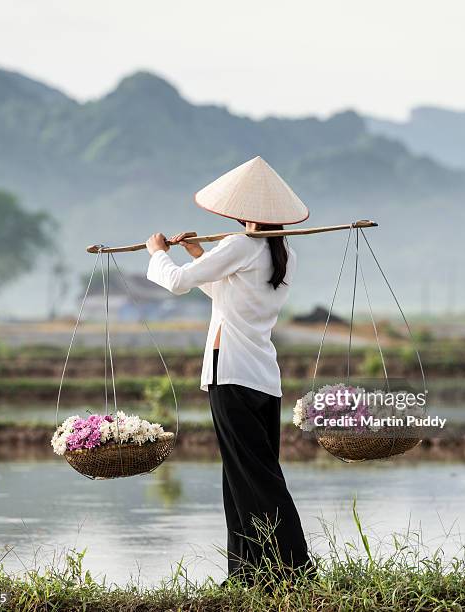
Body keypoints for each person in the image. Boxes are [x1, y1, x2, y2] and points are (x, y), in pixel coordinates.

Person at [145, 156, 312, 582]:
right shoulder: (283, 252)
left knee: (251, 476)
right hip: (262, 377)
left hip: (232, 373)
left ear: (242, 212)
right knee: (245, 474)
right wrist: (201, 253)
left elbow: (178, 282)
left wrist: (157, 253)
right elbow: (226, 295)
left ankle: (293, 568)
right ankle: (248, 572)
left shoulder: (239, 246)